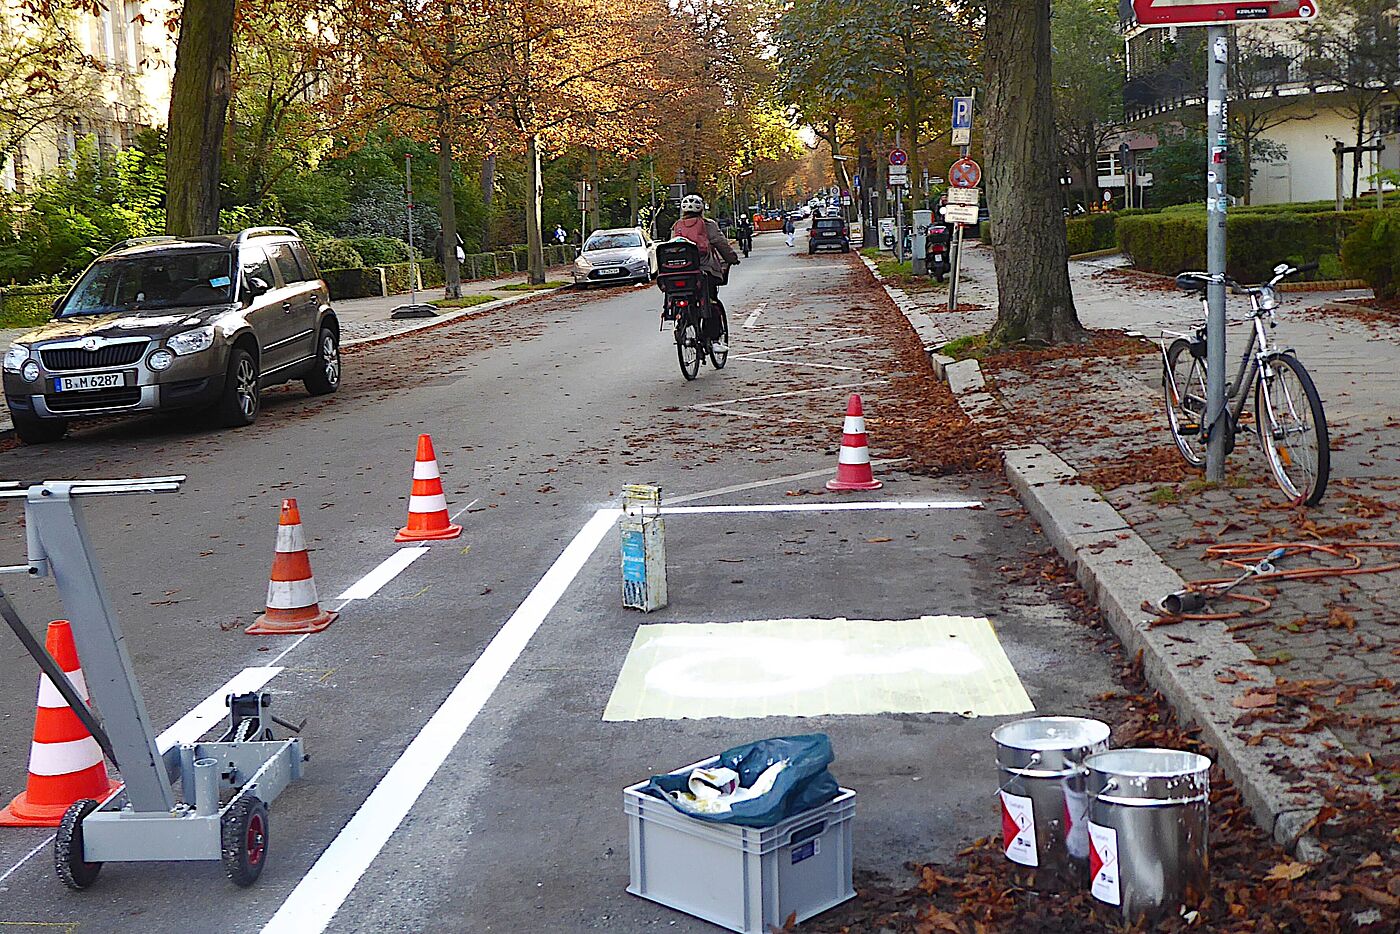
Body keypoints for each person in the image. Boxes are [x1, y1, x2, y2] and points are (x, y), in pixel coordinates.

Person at [671, 194, 739, 352]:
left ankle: (681, 321)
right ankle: (714, 340)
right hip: (704, 271)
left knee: (679, 296)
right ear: (702, 209)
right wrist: (732, 258)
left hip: (678, 272)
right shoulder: (708, 224)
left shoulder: (677, 226)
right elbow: (720, 243)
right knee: (711, 302)